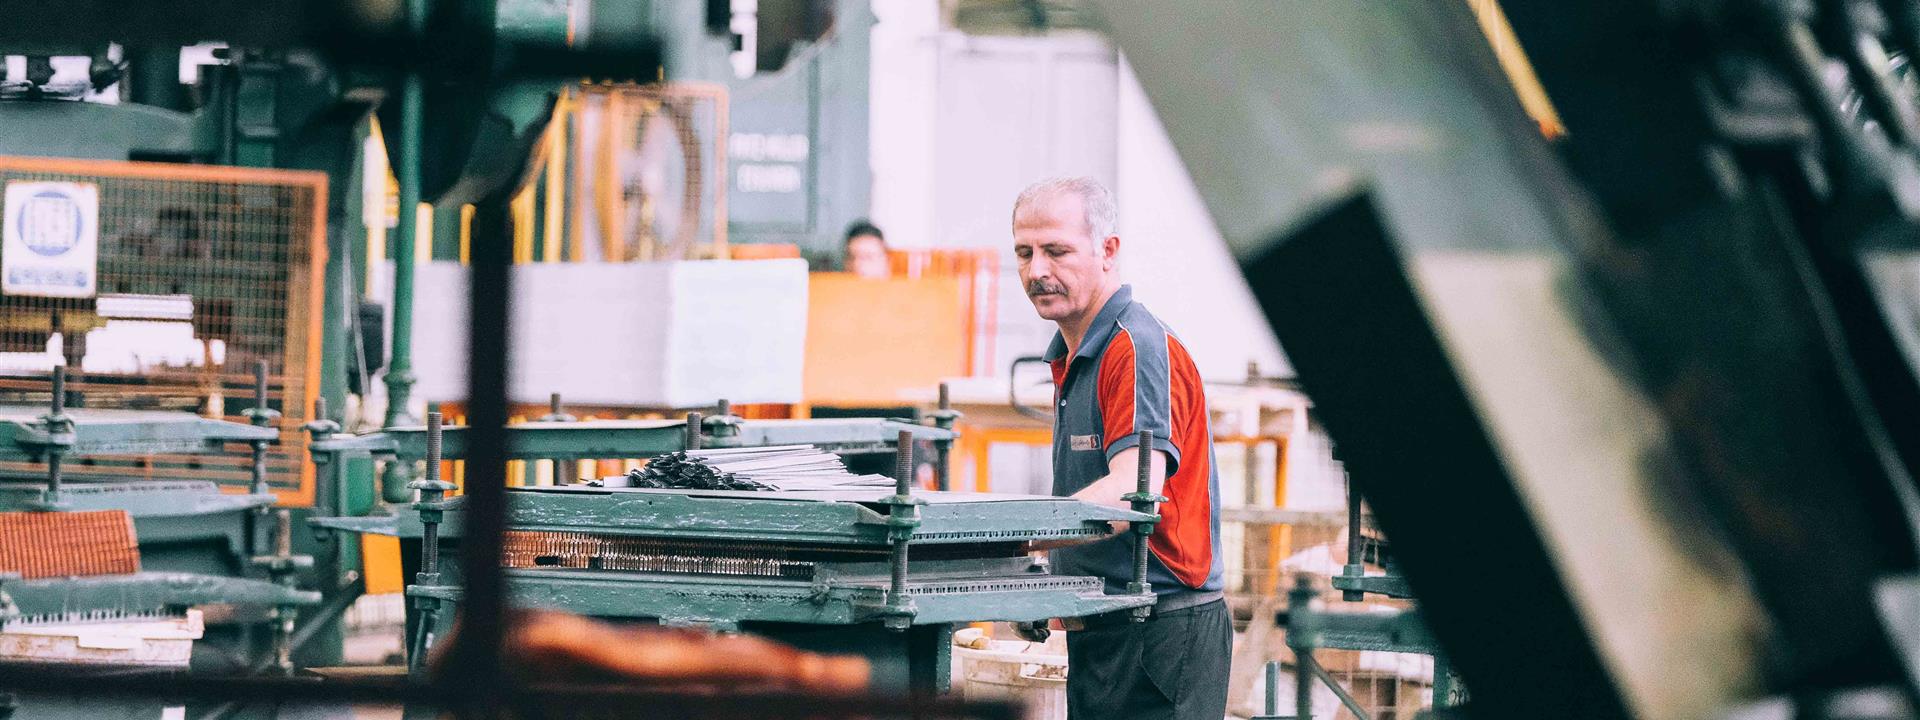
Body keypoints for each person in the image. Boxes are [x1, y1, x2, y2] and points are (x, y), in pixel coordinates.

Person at [1011, 176, 1229, 720]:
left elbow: (1134, 491)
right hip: (1109, 629)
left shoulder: (1133, 347)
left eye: (1056, 251)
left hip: (1159, 635)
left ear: (1108, 251)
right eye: (1024, 252)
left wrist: (1012, 538)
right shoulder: (1076, 352)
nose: (1038, 271)